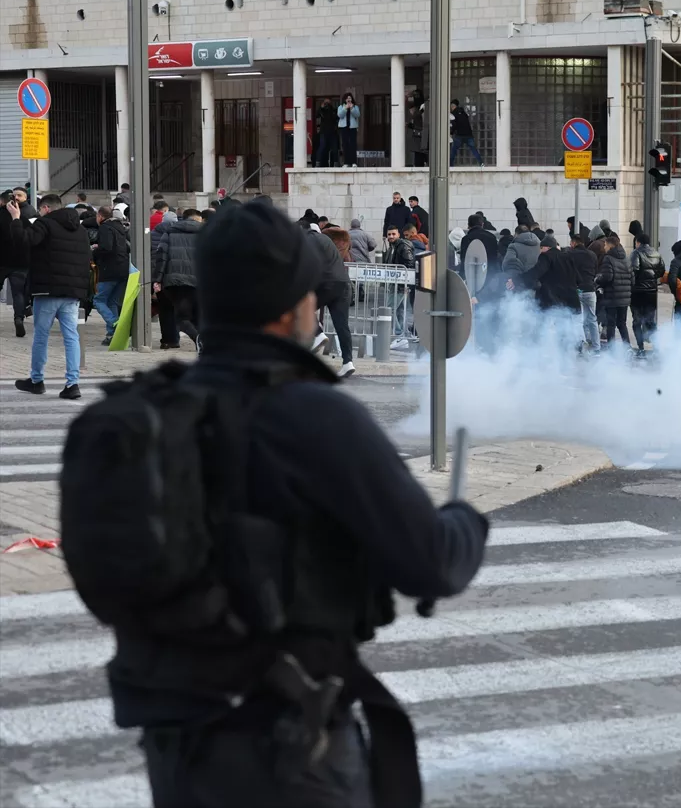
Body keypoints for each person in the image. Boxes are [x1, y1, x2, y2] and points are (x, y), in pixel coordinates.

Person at [68, 197, 489, 808]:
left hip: (175, 742)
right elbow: (431, 562)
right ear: (293, 304)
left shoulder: (155, 410)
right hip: (288, 744)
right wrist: (465, 522)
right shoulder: (313, 414)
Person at [5, 193, 90, 399]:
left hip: (47, 290)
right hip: (72, 291)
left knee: (41, 336)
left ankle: (37, 380)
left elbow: (24, 241)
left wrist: (16, 218)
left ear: (46, 208)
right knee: (71, 337)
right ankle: (73, 384)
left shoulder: (45, 224)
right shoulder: (80, 230)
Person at [152, 209, 204, 350]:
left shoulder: (169, 232)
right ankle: (201, 340)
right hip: (199, 280)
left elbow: (161, 257)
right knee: (198, 314)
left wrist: (158, 279)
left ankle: (198, 339)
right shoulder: (206, 233)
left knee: (181, 317)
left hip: (174, 281)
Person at [314, 228, 356, 379]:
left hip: (327, 284)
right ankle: (348, 362)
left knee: (300, 304)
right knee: (342, 325)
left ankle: (317, 333)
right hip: (344, 285)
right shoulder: (332, 247)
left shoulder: (315, 242)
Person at [91, 204, 131, 345]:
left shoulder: (105, 227)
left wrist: (95, 250)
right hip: (123, 269)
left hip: (109, 270)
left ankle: (115, 322)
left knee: (98, 300)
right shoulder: (120, 227)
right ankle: (112, 335)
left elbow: (107, 248)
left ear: (100, 216)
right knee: (112, 302)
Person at [522, 235, 579, 314]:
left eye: (541, 248)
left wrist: (517, 279)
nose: (540, 251)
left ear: (547, 247)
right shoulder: (568, 257)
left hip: (552, 301)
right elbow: (578, 277)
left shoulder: (546, 256)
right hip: (570, 301)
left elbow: (536, 272)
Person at [0, 188, 30, 337]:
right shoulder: (22, 219)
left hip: (1, 261)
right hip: (20, 262)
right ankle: (19, 319)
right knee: (18, 293)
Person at [629, 230, 664, 355]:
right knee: (650, 321)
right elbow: (661, 271)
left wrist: (634, 284)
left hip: (637, 292)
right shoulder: (657, 254)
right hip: (652, 292)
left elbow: (633, 271)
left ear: (638, 242)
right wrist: (652, 278)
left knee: (637, 321)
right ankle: (656, 347)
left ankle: (641, 348)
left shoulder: (636, 253)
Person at [596, 236, 634, 349]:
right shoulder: (626, 258)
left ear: (610, 245)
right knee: (622, 324)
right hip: (624, 299)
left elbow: (608, 277)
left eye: (605, 245)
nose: (604, 247)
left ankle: (612, 351)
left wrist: (598, 280)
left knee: (611, 324)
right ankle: (627, 348)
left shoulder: (608, 258)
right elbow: (633, 280)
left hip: (611, 298)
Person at [567, 234, 600, 354]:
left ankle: (582, 344)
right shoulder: (592, 255)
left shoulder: (570, 255)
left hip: (577, 290)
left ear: (574, 243)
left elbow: (568, 272)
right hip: (590, 290)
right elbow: (596, 271)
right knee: (592, 319)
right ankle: (596, 348)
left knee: (577, 319)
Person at [449, 99, 484, 166]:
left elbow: (454, 125)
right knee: (473, 149)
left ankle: (450, 165)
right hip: (468, 134)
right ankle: (481, 163)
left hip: (459, 135)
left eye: (451, 106)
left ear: (453, 106)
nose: (451, 108)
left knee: (454, 150)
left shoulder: (453, 114)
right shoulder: (464, 113)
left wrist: (451, 133)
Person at [336, 92, 360, 166]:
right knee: (345, 144)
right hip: (344, 127)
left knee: (353, 144)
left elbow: (357, 115)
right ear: (344, 99)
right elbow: (340, 115)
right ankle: (346, 162)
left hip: (352, 127)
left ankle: (354, 162)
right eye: (347, 98)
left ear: (352, 99)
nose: (348, 99)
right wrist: (345, 108)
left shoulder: (355, 106)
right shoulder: (341, 107)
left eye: (350, 98)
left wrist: (352, 108)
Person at [314, 97, 338, 168]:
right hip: (323, 132)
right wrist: (321, 108)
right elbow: (316, 115)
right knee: (322, 147)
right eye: (325, 103)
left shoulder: (333, 110)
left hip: (332, 132)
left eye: (328, 103)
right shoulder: (322, 110)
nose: (327, 104)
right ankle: (317, 162)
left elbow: (336, 117)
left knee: (335, 148)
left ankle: (335, 163)